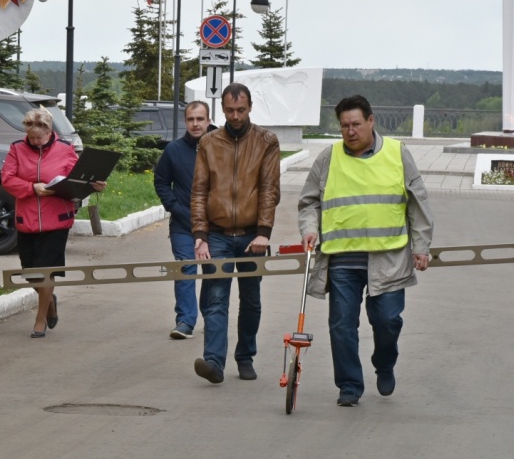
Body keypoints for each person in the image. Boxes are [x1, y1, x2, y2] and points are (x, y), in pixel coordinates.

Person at [297, 95, 434, 407]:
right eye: (344, 125)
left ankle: (384, 363)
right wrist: (309, 228)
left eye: (356, 124)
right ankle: (349, 385)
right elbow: (309, 201)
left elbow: (418, 202)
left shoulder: (398, 154)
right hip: (342, 259)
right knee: (342, 326)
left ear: (372, 121)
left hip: (388, 257)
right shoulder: (328, 158)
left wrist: (421, 246)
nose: (350, 131)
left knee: (387, 321)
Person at [190, 83, 281, 383]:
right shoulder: (209, 143)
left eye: (241, 110)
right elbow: (199, 191)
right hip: (216, 234)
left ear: (250, 107)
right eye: (229, 110)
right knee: (215, 297)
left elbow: (269, 189)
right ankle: (214, 363)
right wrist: (200, 234)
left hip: (252, 235)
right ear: (223, 110)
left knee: (251, 300)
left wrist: (264, 232)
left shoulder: (266, 141)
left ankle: (245, 357)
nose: (235, 116)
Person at [1, 108, 105, 338]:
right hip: (27, 219)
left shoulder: (65, 150)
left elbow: (79, 180)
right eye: (32, 137)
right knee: (31, 273)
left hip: (57, 220)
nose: (36, 141)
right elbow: (7, 179)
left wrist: (93, 184)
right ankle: (48, 301)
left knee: (46, 271)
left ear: (49, 132)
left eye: (40, 137)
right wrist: (31, 188)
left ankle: (40, 320)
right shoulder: (17, 149)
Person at [153, 101, 212, 340]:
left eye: (200, 119)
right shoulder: (174, 150)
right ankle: (185, 321)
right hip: (183, 225)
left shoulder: (222, 146)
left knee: (213, 272)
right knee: (186, 267)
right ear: (185, 121)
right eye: (191, 119)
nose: (195, 124)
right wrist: (175, 207)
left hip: (215, 227)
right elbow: (161, 182)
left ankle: (213, 317)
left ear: (208, 120)